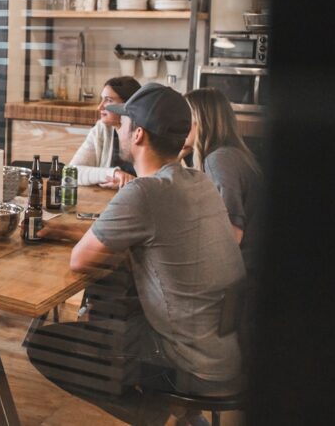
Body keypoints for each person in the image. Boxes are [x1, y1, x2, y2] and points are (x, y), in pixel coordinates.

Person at [34, 83, 246, 426]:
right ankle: (183, 417)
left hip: (186, 362)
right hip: (221, 351)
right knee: (114, 310)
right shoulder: (196, 181)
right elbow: (143, 236)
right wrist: (62, 229)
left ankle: (152, 414)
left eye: (125, 122)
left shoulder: (144, 192)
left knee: (47, 346)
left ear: (138, 135)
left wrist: (72, 237)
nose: (119, 127)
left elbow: (80, 260)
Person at [183, 87, 264, 267]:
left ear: (201, 120)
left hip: (243, 271)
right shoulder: (231, 154)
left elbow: (232, 234)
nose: (179, 123)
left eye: (185, 116)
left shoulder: (219, 160)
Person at [69, 75, 141, 188]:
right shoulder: (101, 129)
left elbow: (157, 181)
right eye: (101, 99)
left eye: (109, 100)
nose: (99, 107)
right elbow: (71, 172)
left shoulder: (145, 134)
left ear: (128, 105)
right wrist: (114, 174)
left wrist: (129, 183)